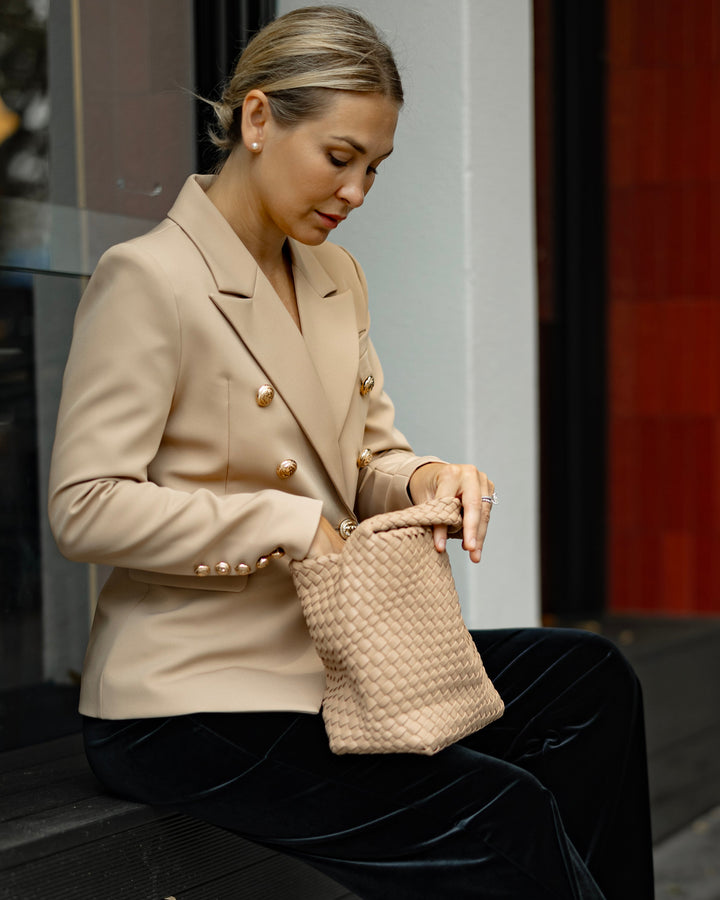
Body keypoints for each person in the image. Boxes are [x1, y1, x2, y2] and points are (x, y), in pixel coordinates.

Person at [48, 7, 654, 898]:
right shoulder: (149, 278)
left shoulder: (334, 277)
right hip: (189, 700)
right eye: (340, 158)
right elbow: (84, 504)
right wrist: (286, 523)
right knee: (500, 814)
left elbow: (367, 457)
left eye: (375, 168)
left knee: (588, 680)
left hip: (327, 662)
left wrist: (427, 476)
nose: (358, 193)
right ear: (258, 120)